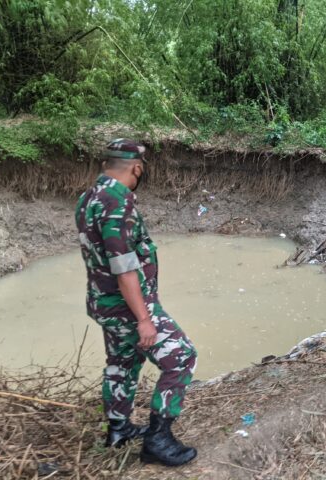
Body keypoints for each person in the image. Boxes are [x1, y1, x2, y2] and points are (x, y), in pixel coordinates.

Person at [75, 139, 198, 466]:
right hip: (128, 306)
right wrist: (143, 318)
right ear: (137, 168)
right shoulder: (117, 202)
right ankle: (158, 440)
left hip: (104, 304)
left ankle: (118, 429)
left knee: (123, 361)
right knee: (182, 358)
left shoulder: (88, 198)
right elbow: (123, 266)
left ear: (105, 165)